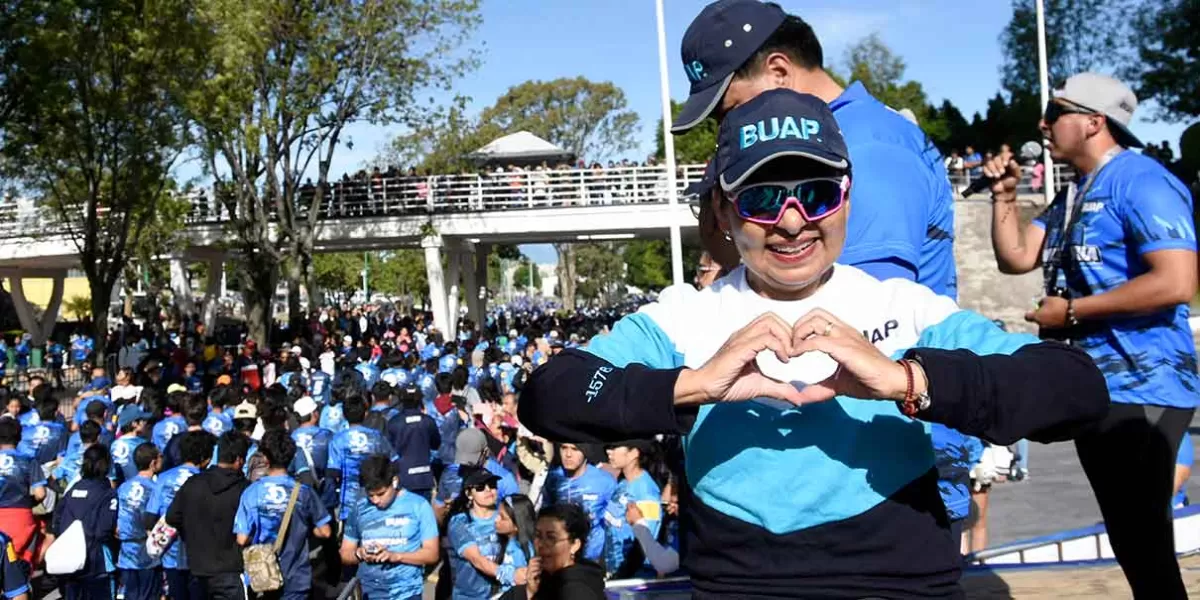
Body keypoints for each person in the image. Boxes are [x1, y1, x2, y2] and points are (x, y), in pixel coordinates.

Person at [518, 89, 1108, 597]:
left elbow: (1076, 389)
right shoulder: (685, 319)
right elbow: (550, 395)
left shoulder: (903, 307)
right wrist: (692, 385)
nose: (795, 221)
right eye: (763, 199)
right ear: (724, 209)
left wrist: (907, 381)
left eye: (817, 192)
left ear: (847, 196)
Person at [984, 73, 1196, 599]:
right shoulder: (1073, 193)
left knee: (1143, 540)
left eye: (1054, 113)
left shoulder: (1141, 180)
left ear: (1094, 122)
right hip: (1096, 386)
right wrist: (1004, 197)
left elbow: (1176, 281)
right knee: (1132, 540)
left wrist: (1072, 311)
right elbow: (1016, 258)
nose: (1043, 123)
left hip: (1146, 385)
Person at [672, 0, 955, 298]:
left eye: (730, 111)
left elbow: (863, 319)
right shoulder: (862, 132)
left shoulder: (867, 149)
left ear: (779, 72)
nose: (727, 130)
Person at [234, 430, 332, 600]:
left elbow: (242, 539)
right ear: (292, 457)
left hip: (262, 577)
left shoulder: (251, 493)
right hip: (297, 577)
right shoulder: (303, 492)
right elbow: (325, 532)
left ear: (265, 458)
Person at [339, 455, 438, 600]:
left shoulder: (419, 505)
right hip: (368, 592)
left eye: (381, 494)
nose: (376, 500)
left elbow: (432, 554)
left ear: (395, 481)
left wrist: (395, 556)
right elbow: (344, 553)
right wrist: (359, 554)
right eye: (370, 495)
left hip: (407, 594)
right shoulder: (359, 508)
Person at [166, 432, 250, 600]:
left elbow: (172, 518)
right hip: (232, 570)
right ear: (239, 460)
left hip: (196, 569)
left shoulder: (193, 483)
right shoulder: (245, 490)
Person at [144, 430, 214, 600]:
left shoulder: (163, 478)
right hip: (200, 559)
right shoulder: (208, 481)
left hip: (170, 556)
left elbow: (149, 518)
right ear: (206, 457)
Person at [50, 444, 118, 599]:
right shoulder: (107, 493)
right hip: (97, 562)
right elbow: (104, 530)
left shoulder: (72, 489)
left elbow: (58, 521)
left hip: (71, 560)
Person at [538, 442, 614, 563]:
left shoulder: (605, 481)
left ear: (585, 452)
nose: (568, 454)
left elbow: (614, 524)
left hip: (593, 559)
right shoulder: (553, 478)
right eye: (564, 448)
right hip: (560, 558)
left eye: (575, 449)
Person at [327, 395, 397, 521]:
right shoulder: (376, 436)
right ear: (365, 414)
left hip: (348, 502)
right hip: (376, 498)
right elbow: (393, 461)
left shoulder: (337, 439)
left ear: (344, 416)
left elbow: (333, 472)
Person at [446, 468, 509, 600]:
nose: (488, 490)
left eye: (492, 485)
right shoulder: (460, 522)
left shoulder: (506, 517)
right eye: (480, 487)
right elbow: (477, 560)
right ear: (469, 494)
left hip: (501, 594)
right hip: (468, 596)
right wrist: (510, 575)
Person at [602, 441, 662, 578]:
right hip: (614, 571)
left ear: (634, 453)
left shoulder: (647, 491)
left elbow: (647, 540)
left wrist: (623, 575)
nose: (609, 452)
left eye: (614, 447)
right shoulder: (622, 484)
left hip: (635, 577)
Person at [526, 503, 605, 600]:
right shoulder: (545, 581)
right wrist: (530, 592)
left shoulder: (576, 591)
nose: (541, 544)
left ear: (575, 545)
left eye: (551, 538)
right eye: (538, 536)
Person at [115, 443, 161, 600]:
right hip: (147, 552)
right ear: (153, 463)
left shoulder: (123, 487)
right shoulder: (156, 488)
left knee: (130, 594)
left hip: (126, 550)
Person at [384, 385, 440, 501]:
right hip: (424, 477)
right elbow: (436, 444)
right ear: (420, 400)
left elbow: (388, 450)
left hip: (403, 478)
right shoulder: (428, 421)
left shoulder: (394, 422)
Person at [495, 494, 536, 599]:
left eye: (502, 518)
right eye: (497, 514)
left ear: (517, 524)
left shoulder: (523, 550)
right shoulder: (505, 542)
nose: (496, 520)